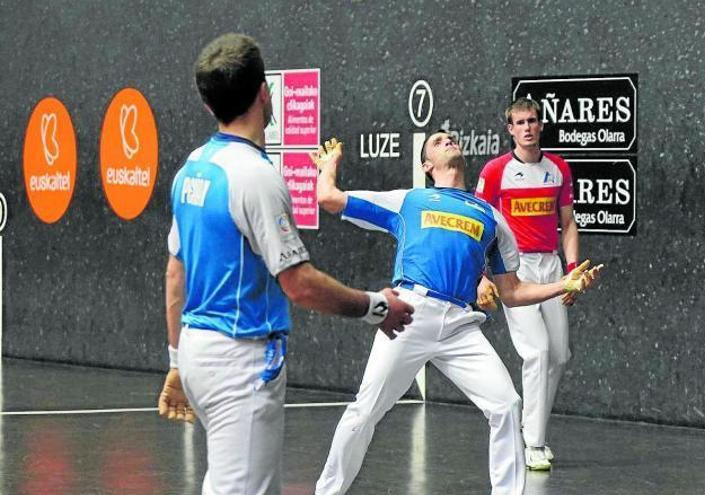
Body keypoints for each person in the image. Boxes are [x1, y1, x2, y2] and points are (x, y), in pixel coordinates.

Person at [155, 33, 413, 495]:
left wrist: (177, 362)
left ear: (208, 105)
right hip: (240, 362)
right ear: (264, 93)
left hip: (196, 350)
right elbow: (300, 284)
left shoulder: (193, 167)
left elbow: (176, 275)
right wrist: (377, 306)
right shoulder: (255, 177)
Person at [310, 133, 602, 495]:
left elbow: (512, 292)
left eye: (450, 137)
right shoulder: (409, 200)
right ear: (426, 166)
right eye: (437, 140)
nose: (447, 139)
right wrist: (328, 168)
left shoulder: (492, 218)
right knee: (365, 411)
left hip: (460, 327)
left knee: (506, 405)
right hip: (410, 315)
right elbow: (329, 198)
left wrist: (563, 284)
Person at [474, 97, 582, 471]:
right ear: (510, 129)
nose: (527, 128)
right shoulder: (495, 171)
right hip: (512, 270)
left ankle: (532, 429)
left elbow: (567, 224)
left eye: (532, 120)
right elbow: (478, 224)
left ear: (540, 124)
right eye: (519, 122)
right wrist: (481, 276)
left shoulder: (558, 169)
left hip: (551, 267)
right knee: (536, 352)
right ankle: (533, 443)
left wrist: (571, 272)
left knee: (559, 355)